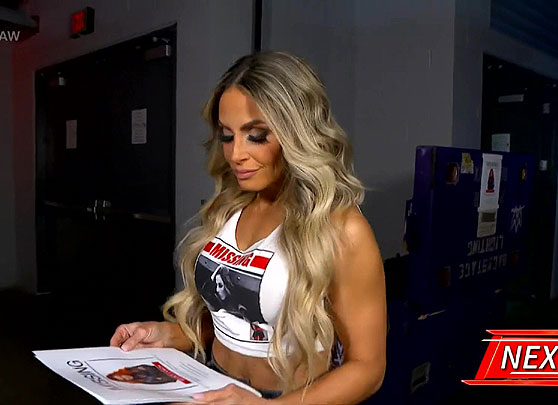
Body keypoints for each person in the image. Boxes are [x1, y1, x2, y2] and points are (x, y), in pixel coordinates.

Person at [110, 51, 387, 404]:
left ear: (297, 133)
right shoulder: (230, 208)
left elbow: (368, 368)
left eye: (255, 135)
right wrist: (171, 335)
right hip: (212, 382)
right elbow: (231, 319)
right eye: (227, 136)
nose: (235, 154)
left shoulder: (342, 227)